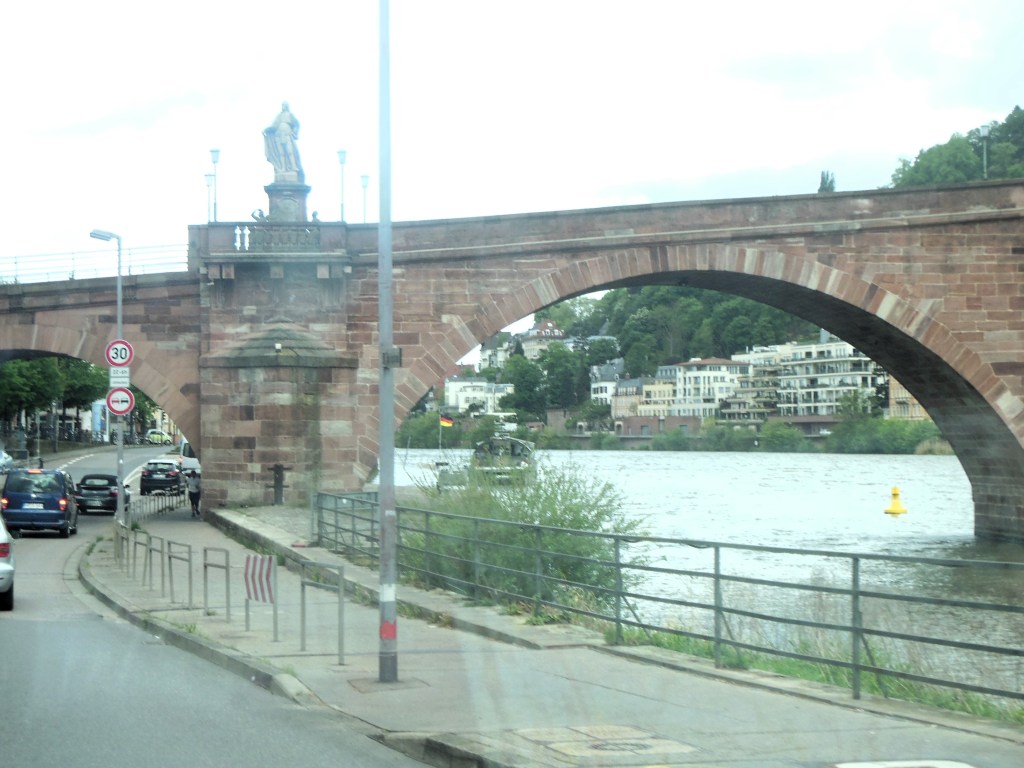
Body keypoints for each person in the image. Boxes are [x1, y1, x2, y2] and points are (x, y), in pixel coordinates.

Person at [263, 102, 302, 178]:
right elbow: (274, 126)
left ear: (287, 106)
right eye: (282, 105)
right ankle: (282, 168)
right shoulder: (279, 116)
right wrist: (267, 130)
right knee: (281, 153)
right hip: (278, 135)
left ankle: (293, 167)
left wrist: (294, 132)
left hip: (287, 134)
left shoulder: (290, 115)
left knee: (290, 151)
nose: (282, 107)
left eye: (284, 105)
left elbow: (297, 124)